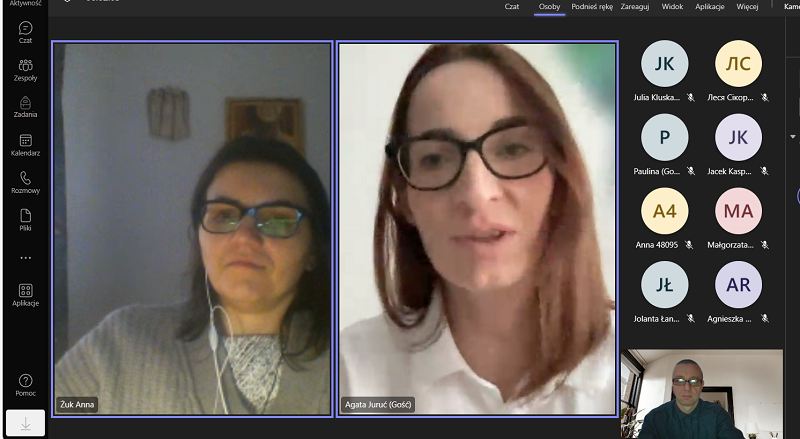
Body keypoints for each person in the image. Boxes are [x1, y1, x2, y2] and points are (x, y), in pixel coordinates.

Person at [339, 44, 615, 414]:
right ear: (403, 197)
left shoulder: (655, 371)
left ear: (560, 179)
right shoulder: (344, 375)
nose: (476, 194)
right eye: (435, 158)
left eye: (512, 149)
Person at [55, 137, 331, 415]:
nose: (245, 237)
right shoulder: (120, 343)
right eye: (223, 215)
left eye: (278, 220)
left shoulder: (350, 357)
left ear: (313, 250)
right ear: (199, 238)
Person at [638, 359, 744, 438]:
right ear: (672, 385)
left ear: (702, 385)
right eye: (680, 381)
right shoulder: (654, 418)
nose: (687, 388)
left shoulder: (718, 414)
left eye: (694, 381)